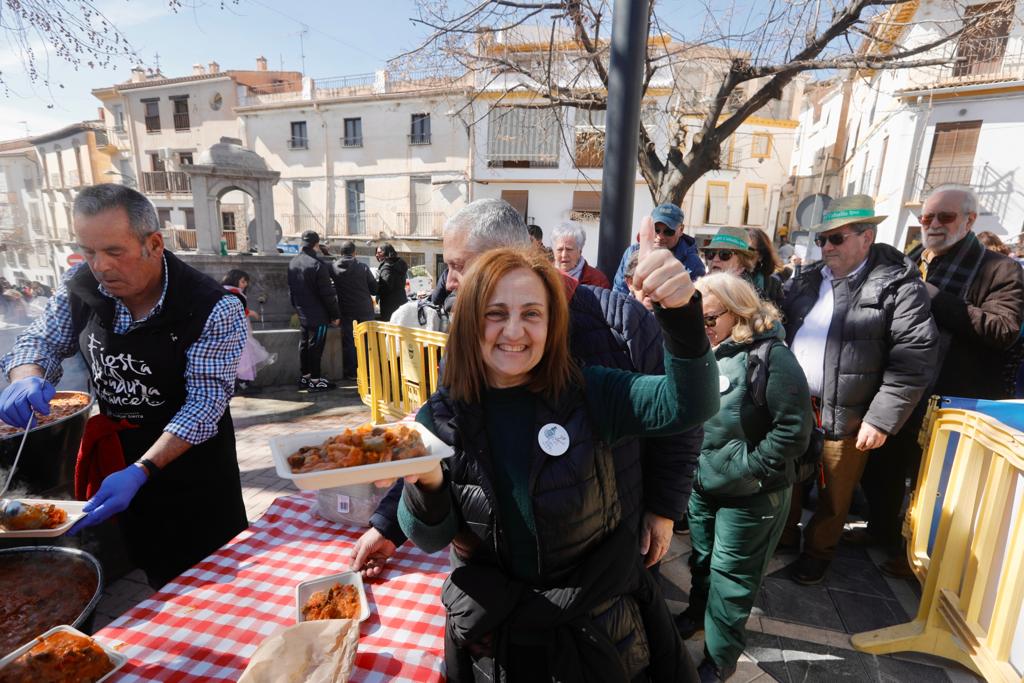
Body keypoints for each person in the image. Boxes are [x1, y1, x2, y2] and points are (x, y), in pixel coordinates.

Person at [399, 245, 718, 682]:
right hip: (505, 641)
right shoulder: (440, 416)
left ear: (553, 326)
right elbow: (428, 537)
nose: (514, 330)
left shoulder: (591, 391)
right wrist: (428, 483)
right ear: (470, 322)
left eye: (532, 313)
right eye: (496, 313)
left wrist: (681, 313)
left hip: (598, 631)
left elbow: (690, 404)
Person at [352, 199, 704, 588]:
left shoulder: (619, 324)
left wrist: (664, 506)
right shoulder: (468, 342)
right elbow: (437, 446)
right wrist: (389, 524)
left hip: (601, 563)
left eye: (458, 265)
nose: (449, 281)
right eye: (497, 314)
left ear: (506, 259)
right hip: (493, 582)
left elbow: (680, 410)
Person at [0, 184, 249, 589]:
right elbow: (40, 340)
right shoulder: (81, 286)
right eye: (89, 251)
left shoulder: (210, 306)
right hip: (118, 459)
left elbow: (205, 403)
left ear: (153, 243)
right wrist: (26, 377)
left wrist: (143, 469)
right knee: (150, 565)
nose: (100, 266)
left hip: (192, 467)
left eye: (114, 252)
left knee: (212, 575)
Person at [857, 187, 1024, 576]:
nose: (932, 225)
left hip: (953, 396)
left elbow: (1003, 329)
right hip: (901, 384)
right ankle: (880, 531)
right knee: (884, 467)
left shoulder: (1000, 269)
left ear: (969, 221)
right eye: (926, 218)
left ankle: (919, 554)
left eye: (944, 217)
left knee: (934, 482)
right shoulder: (914, 259)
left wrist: (932, 296)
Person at [779, 194, 938, 585]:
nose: (826, 247)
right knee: (786, 479)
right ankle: (781, 538)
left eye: (836, 239)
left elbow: (914, 358)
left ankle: (817, 553)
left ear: (866, 238)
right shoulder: (808, 279)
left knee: (835, 493)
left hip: (850, 412)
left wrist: (882, 419)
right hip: (796, 403)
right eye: (822, 240)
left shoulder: (899, 286)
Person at [675, 272, 812, 683]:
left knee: (731, 578)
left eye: (708, 316)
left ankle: (719, 658)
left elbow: (794, 430)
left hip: (751, 495)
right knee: (701, 562)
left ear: (738, 311)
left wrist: (748, 468)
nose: (701, 325)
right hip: (703, 486)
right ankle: (697, 616)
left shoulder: (772, 357)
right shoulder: (703, 350)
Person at [288, 230, 341, 392]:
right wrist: (335, 315)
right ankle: (316, 380)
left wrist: (296, 307)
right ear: (316, 244)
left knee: (304, 345)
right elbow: (328, 293)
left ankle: (305, 377)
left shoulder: (293, 262)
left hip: (302, 311)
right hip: (319, 315)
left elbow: (291, 290)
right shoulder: (317, 264)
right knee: (316, 347)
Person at [613, 202, 705, 294]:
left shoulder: (694, 264)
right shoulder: (631, 252)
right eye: (656, 230)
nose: (660, 236)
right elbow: (619, 292)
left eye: (668, 231)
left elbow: (695, 302)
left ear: (681, 230)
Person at [700, 227, 784, 307]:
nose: (715, 259)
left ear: (742, 263)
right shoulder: (698, 287)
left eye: (724, 254)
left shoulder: (754, 296)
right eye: (710, 253)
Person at [221, 269, 275, 393]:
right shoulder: (233, 292)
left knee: (239, 358)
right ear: (234, 280)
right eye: (243, 281)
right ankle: (243, 384)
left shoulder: (226, 290)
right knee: (244, 358)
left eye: (246, 282)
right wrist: (251, 312)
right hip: (238, 333)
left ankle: (236, 384)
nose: (245, 284)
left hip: (232, 332)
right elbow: (237, 309)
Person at [332, 241, 377, 380]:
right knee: (368, 340)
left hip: (346, 309)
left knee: (350, 342)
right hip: (365, 309)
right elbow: (374, 289)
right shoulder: (362, 267)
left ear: (341, 253)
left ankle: (352, 372)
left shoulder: (333, 267)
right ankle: (369, 371)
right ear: (354, 252)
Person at [551, 221, 611, 288]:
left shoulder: (598, 281)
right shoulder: (544, 276)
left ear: (580, 251)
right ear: (553, 250)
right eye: (560, 249)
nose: (564, 255)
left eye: (569, 249)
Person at [375, 243, 409, 321]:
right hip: (402, 300)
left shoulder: (386, 267)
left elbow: (386, 287)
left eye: (380, 252)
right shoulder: (400, 263)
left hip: (390, 306)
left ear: (387, 252)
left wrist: (375, 287)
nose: (377, 255)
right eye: (376, 253)